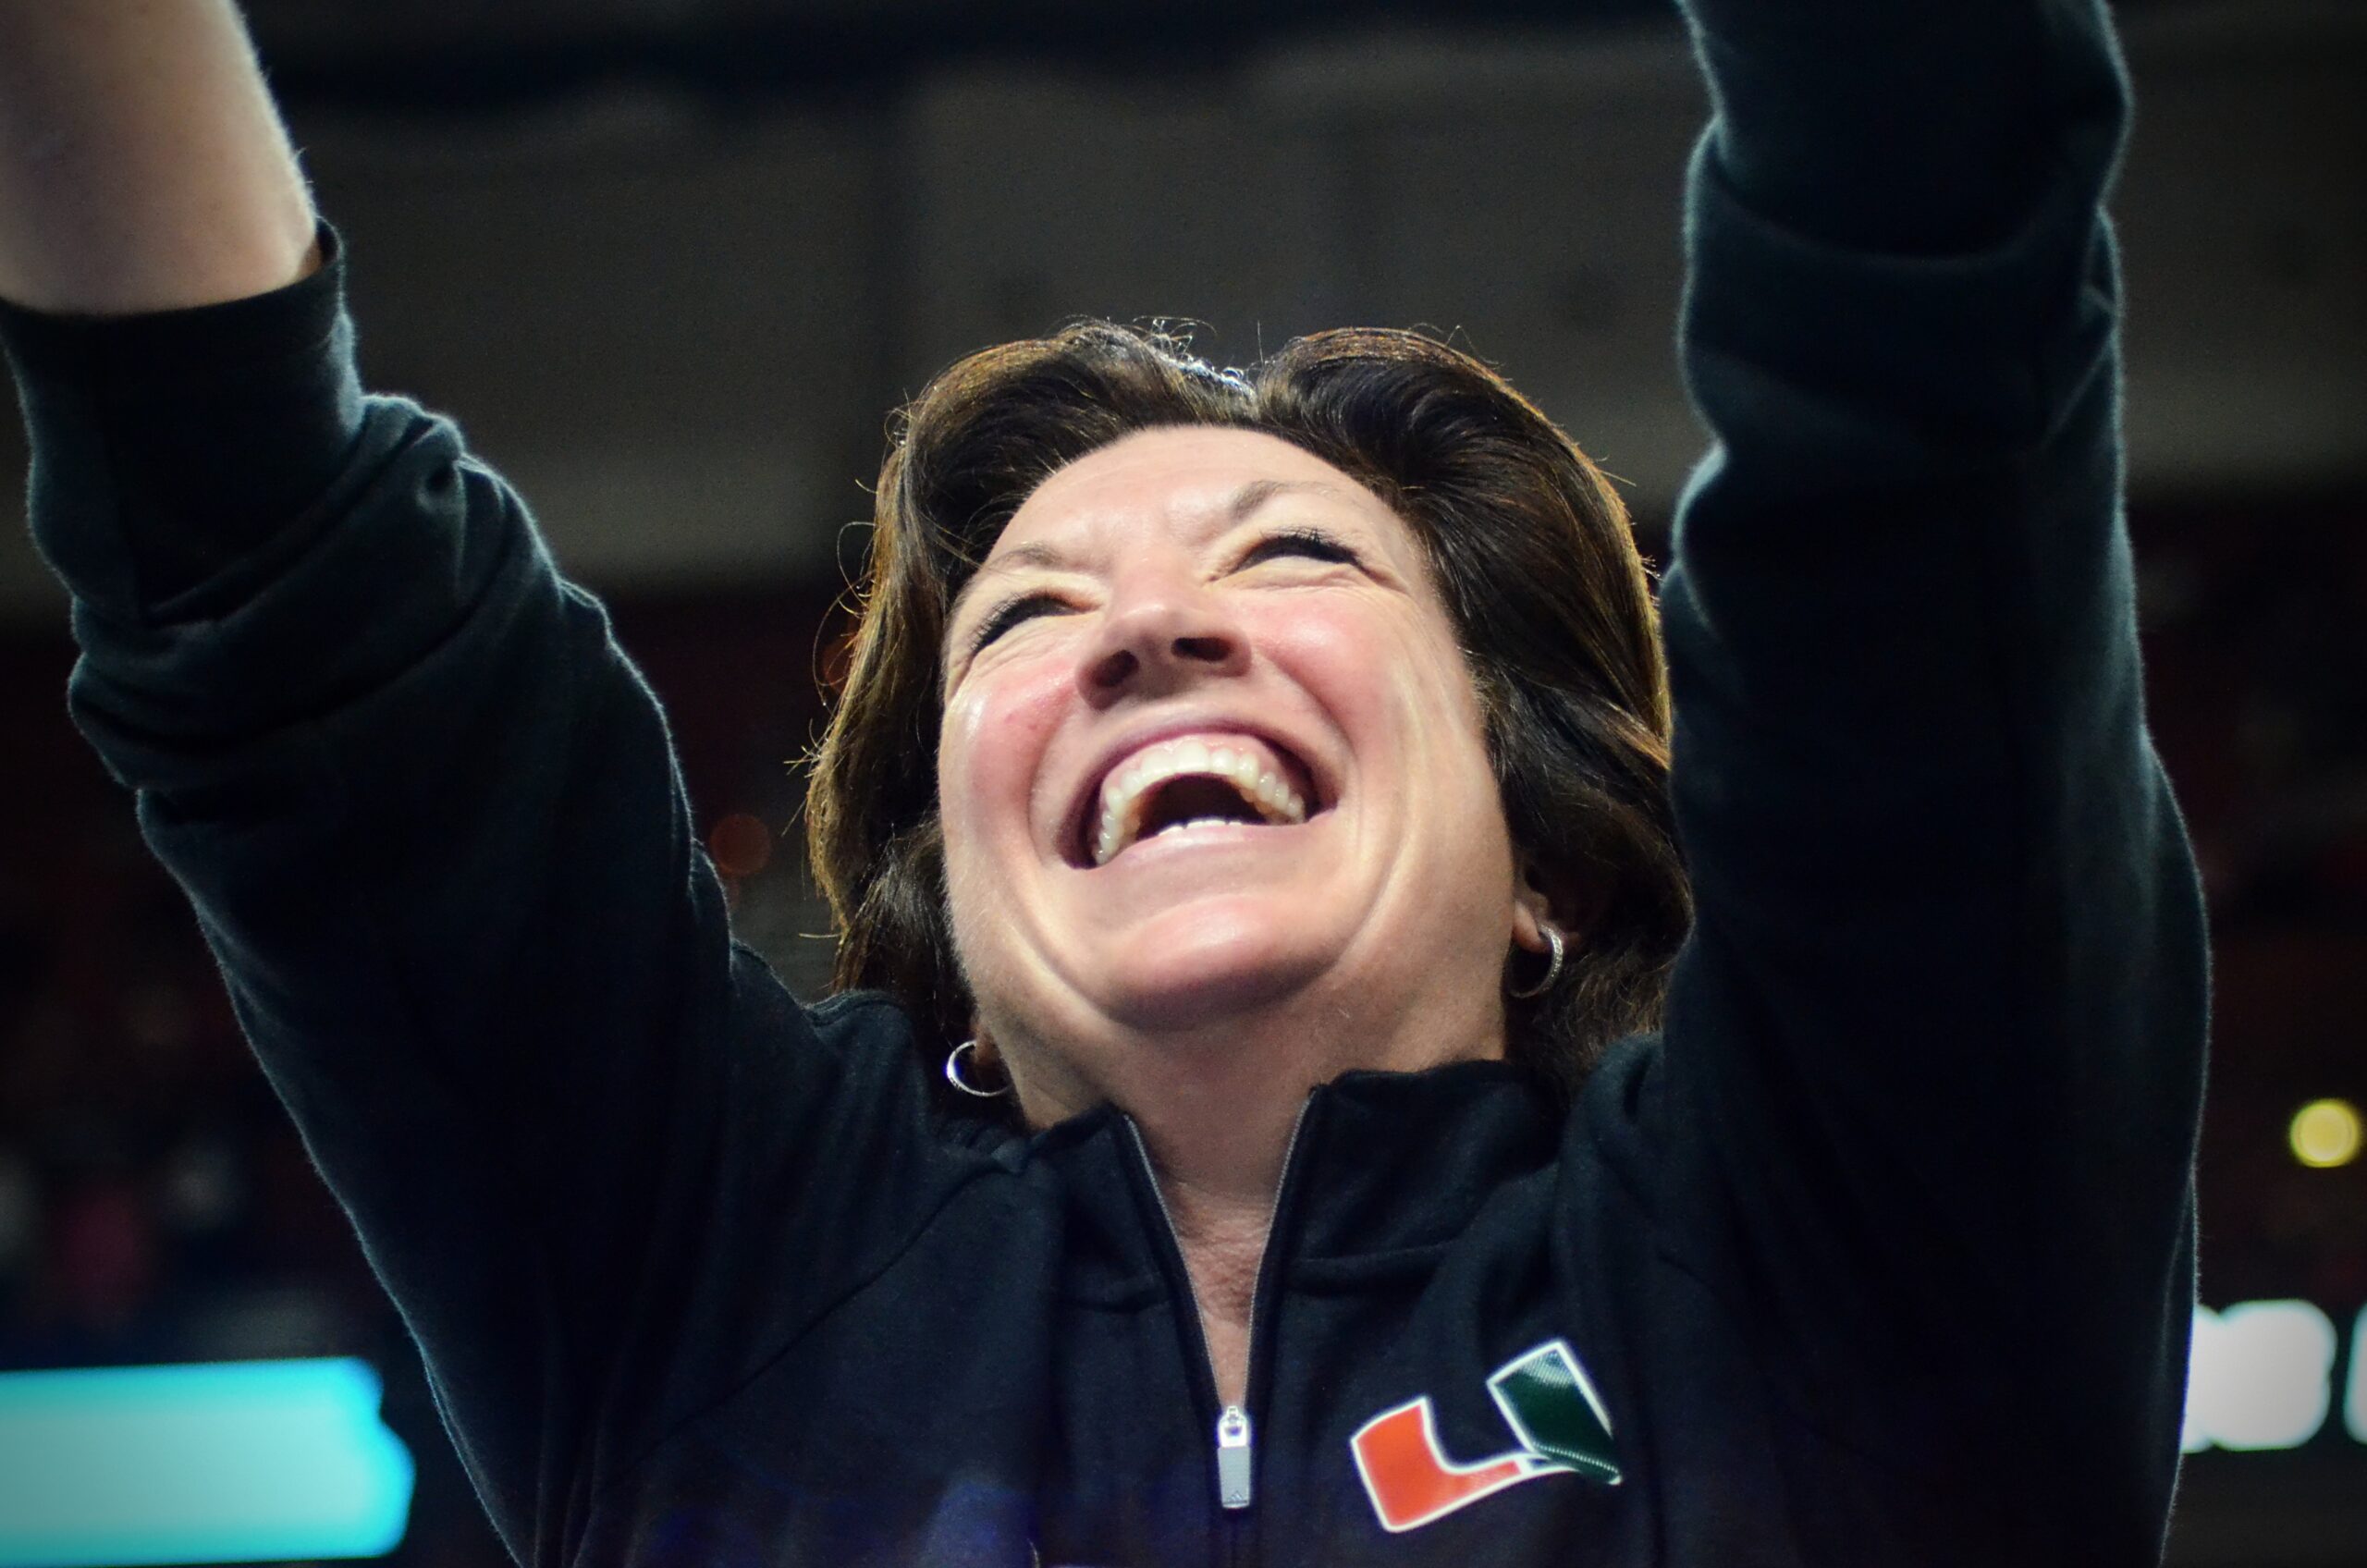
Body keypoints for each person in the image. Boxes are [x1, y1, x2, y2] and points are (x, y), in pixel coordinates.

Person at [0, 0, 2207, 1563]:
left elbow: (1926, 291)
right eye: (1030, 614)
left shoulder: (1836, 1245)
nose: (1145, 625)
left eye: (1291, 556)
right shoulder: (708, 1275)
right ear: (952, 914)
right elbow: (263, 566)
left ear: (1538, 855)